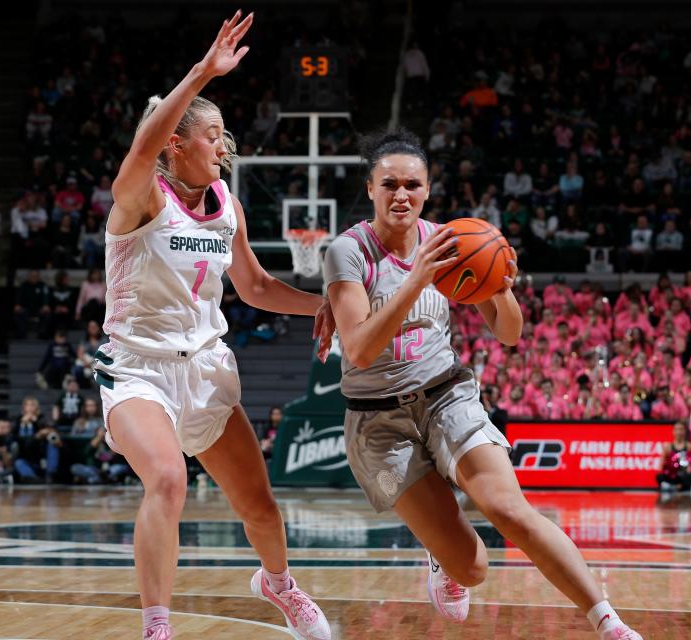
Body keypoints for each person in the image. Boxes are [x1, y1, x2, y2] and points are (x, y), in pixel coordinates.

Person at [323, 129, 641, 640]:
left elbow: (509, 333)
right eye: (389, 184)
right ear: (370, 189)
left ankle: (609, 622)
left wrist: (503, 287)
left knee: (509, 510)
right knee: (472, 567)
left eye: (412, 184)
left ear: (427, 190)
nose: (401, 194)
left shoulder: (455, 239)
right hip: (376, 420)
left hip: (445, 395)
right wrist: (416, 280)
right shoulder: (348, 252)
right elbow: (358, 349)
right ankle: (441, 554)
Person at [95, 13, 332, 640]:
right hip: (138, 366)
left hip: (205, 365)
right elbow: (141, 150)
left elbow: (253, 287)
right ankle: (157, 627)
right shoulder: (141, 195)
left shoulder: (228, 202)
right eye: (213, 135)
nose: (223, 146)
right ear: (178, 141)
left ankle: (279, 585)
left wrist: (323, 305)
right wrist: (203, 71)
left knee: (260, 506)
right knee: (168, 479)